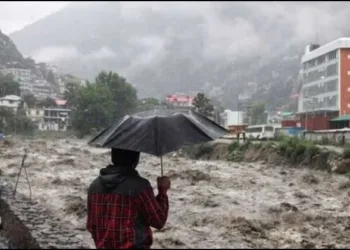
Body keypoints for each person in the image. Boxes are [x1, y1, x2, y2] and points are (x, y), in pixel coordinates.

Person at [86, 148, 170, 249]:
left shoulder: (94, 186)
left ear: (113, 156)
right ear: (136, 159)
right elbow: (158, 221)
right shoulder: (140, 187)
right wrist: (162, 192)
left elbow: (91, 227)